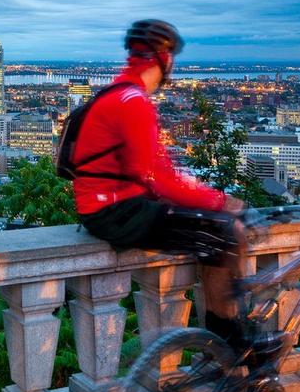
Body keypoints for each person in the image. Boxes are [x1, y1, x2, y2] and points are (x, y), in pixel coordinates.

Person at [72, 19, 250, 350]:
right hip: (116, 211)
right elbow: (155, 175)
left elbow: (152, 170)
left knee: (207, 227)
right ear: (164, 58)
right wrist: (216, 201)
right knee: (222, 233)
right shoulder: (133, 102)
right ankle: (226, 339)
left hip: (105, 206)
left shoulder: (117, 93)